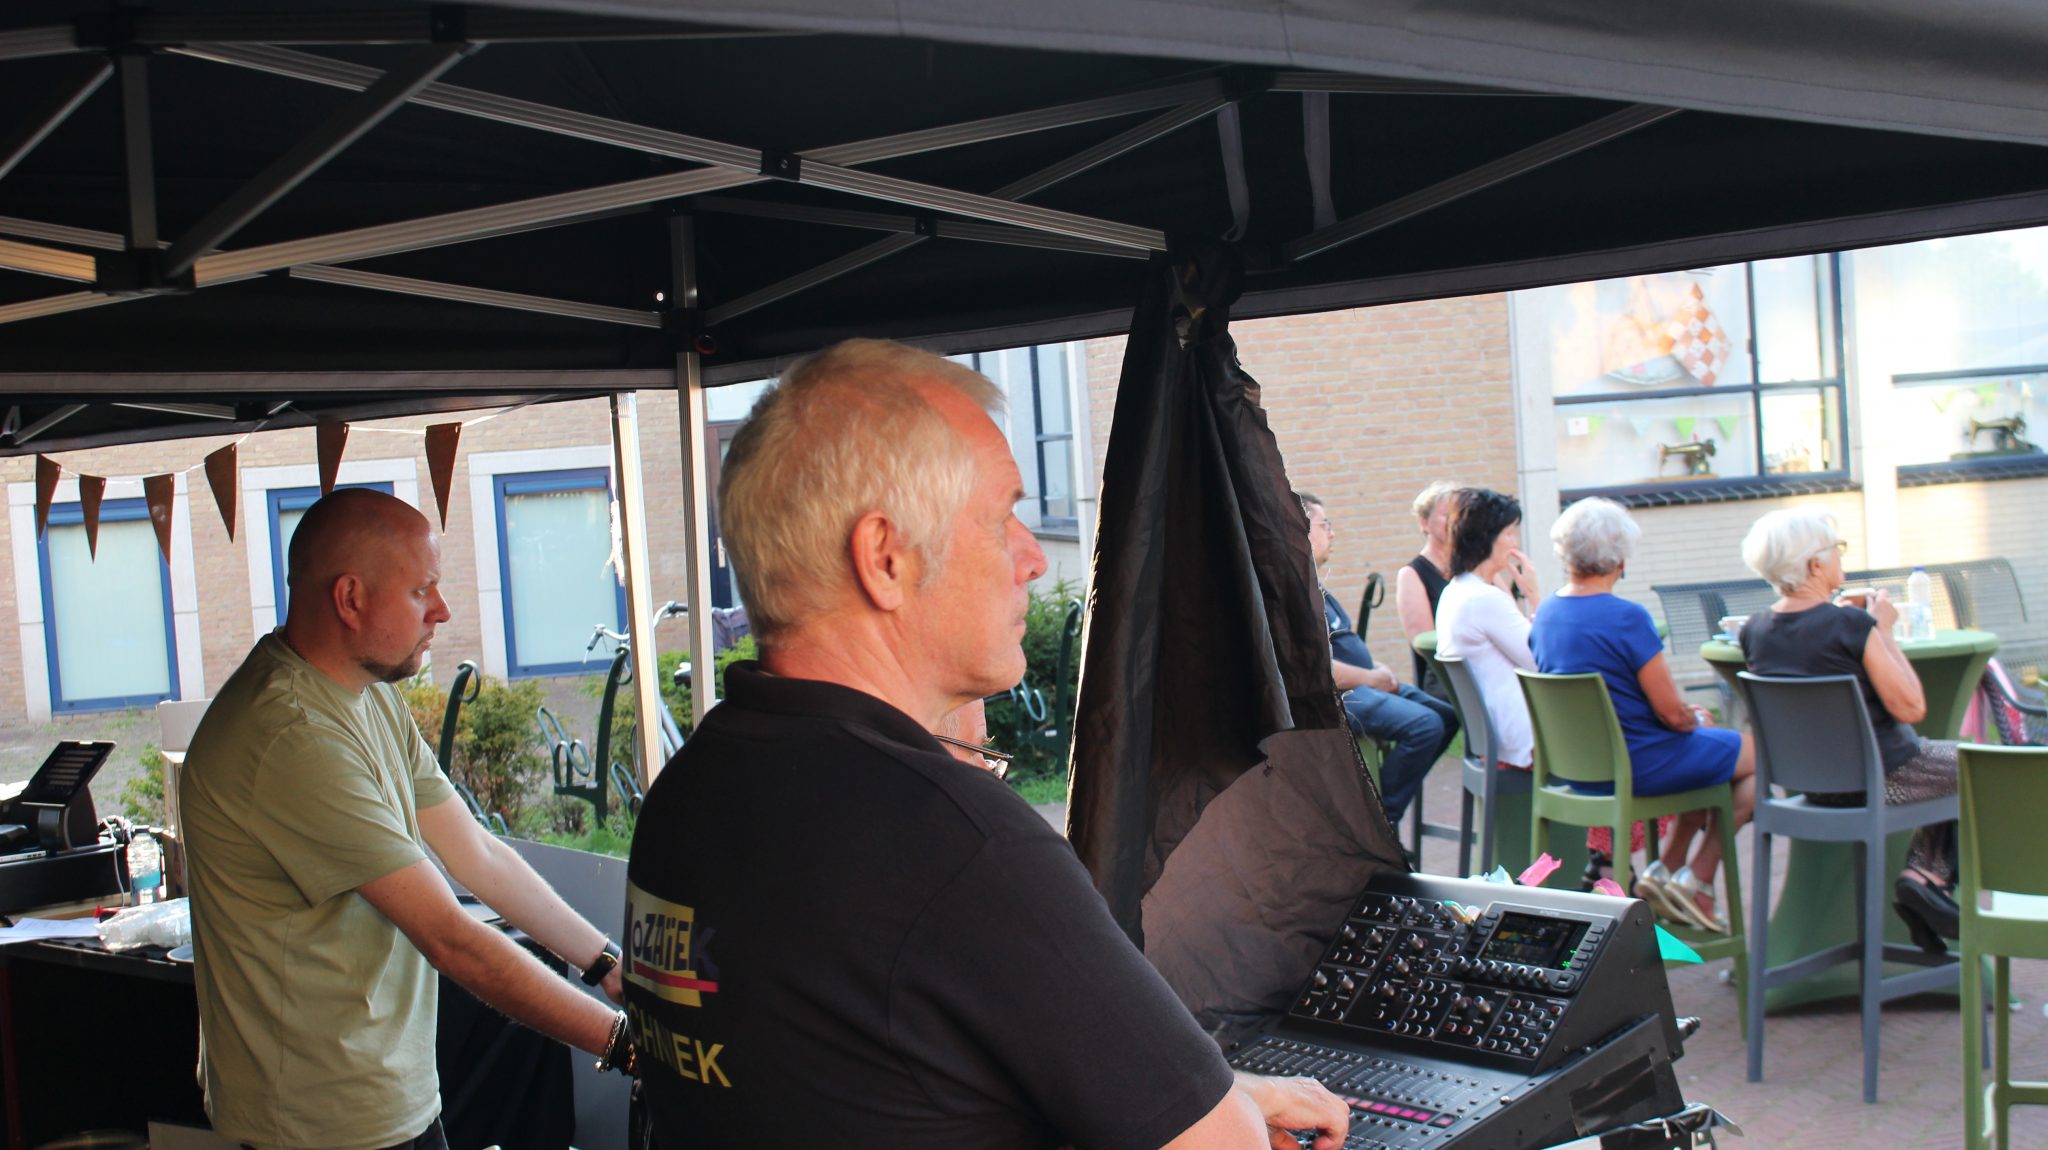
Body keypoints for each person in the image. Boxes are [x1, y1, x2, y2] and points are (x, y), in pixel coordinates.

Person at [626, 339, 1347, 1149]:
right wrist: (1226, 1110)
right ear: (886, 559)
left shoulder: (686, 797)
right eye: (1002, 516)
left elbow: (858, 1081)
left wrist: (1207, 1092)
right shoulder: (953, 845)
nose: (1032, 557)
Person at [180, 489, 632, 1150]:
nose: (442, 610)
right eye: (422, 590)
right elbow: (450, 939)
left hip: (384, 1089)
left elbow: (477, 853)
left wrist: (606, 963)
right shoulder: (291, 736)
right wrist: (625, 1045)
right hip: (317, 1120)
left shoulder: (364, 693)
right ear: (350, 598)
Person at [1530, 497, 1757, 934]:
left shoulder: (1546, 615)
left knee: (1712, 758)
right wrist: (1696, 718)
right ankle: (1696, 878)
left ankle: (1665, 872)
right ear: (1620, 558)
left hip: (1576, 770)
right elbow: (1671, 714)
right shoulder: (1627, 617)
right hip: (1638, 763)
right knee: (1757, 758)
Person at [1738, 509, 1961, 952]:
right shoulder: (1851, 626)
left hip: (1813, 787)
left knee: (1949, 765)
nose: (1841, 557)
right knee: (1978, 764)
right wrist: (1883, 631)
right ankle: (1925, 878)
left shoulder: (1754, 631)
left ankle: (1925, 882)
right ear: (1814, 564)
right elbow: (1912, 707)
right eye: (1836, 549)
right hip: (1883, 778)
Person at [1302, 492, 1459, 829]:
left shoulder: (1316, 584)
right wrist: (1372, 678)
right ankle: (1377, 824)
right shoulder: (1295, 589)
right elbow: (1317, 670)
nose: (1332, 533)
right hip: (1337, 697)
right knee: (1424, 725)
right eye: (1324, 525)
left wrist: (1374, 672)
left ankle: (1378, 811)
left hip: (1363, 683)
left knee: (1448, 717)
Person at [1432, 489, 1538, 772]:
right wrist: (1534, 595)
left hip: (1494, 735)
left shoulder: (1457, 590)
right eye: (1509, 533)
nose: (1515, 543)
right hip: (1522, 739)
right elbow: (1541, 661)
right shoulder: (1483, 599)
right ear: (1486, 537)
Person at [1394, 481, 1462, 700]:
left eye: (1460, 514)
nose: (1454, 520)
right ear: (1424, 522)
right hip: (1443, 683)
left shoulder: (1476, 566)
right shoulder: (1411, 575)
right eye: (1446, 515)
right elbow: (1425, 644)